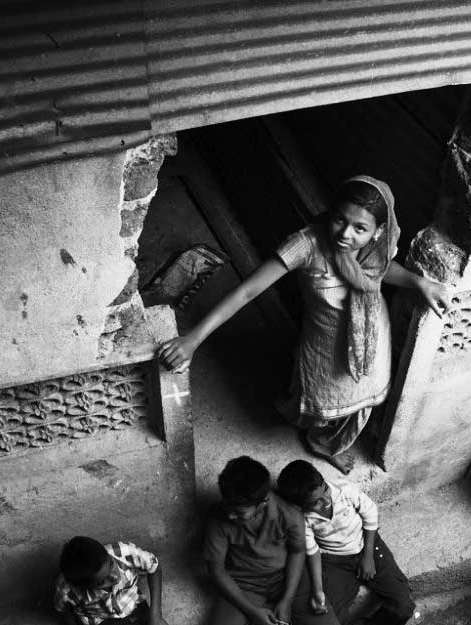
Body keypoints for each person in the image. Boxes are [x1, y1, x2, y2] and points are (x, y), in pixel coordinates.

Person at [158, 176, 449, 473]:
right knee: (321, 400)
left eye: (360, 228)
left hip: (371, 334)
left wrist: (418, 282)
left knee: (363, 396)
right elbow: (247, 291)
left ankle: (328, 442)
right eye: (339, 219)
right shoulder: (306, 244)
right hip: (324, 346)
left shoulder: (377, 248)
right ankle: (318, 436)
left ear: (379, 231)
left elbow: (382, 272)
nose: (345, 234)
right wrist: (193, 339)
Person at [203, 456, 340, 625]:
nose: (230, 515)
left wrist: (287, 600)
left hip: (286, 577)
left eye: (239, 512)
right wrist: (252, 611)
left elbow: (297, 552)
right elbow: (216, 570)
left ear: (263, 503)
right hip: (245, 584)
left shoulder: (289, 514)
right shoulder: (218, 518)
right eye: (226, 505)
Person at [277, 460, 416, 625]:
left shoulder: (344, 490)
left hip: (367, 544)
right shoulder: (302, 519)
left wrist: (368, 556)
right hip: (335, 561)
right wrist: (318, 590)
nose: (326, 501)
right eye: (316, 502)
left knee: (404, 606)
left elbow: (370, 515)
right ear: (300, 505)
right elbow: (312, 552)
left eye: (325, 491)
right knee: (326, 615)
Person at [53, 536, 169, 625]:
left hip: (133, 605)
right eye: (102, 581)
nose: (116, 577)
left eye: (111, 564)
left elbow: (154, 567)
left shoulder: (124, 552)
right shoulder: (66, 589)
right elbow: (64, 611)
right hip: (99, 620)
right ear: (84, 586)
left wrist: (156, 614)